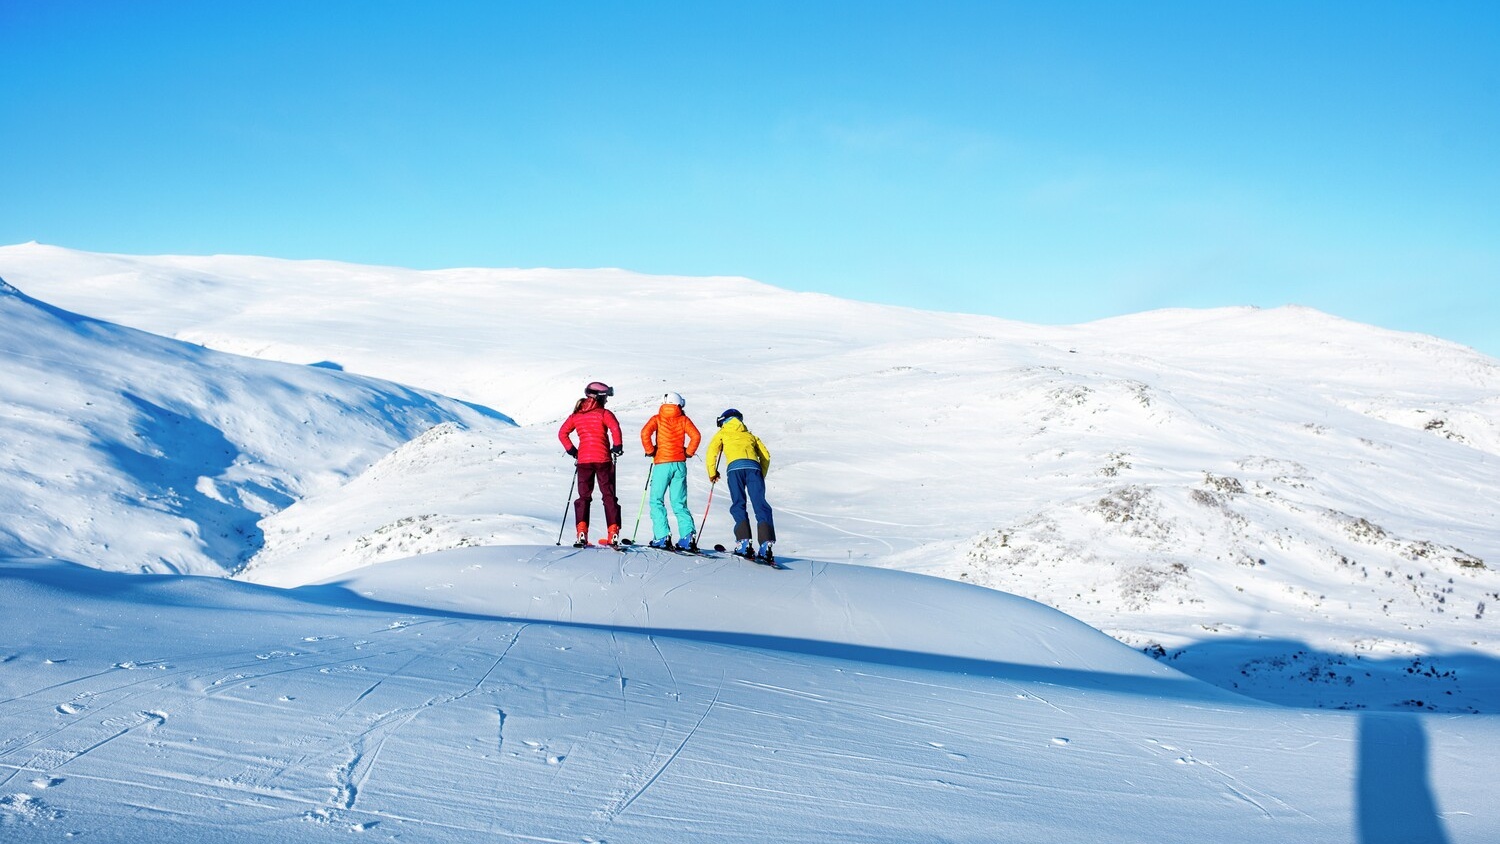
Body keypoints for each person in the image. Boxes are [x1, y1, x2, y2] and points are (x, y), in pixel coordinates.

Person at [558, 381, 624, 546]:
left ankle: (581, 534)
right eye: (606, 397)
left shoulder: (576, 416)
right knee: (608, 496)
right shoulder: (604, 413)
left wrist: (573, 451)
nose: (607, 400)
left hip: (584, 461)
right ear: (600, 397)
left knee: (583, 497)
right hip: (603, 459)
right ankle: (613, 533)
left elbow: (562, 433)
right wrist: (617, 446)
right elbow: (615, 428)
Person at [704, 408, 775, 558]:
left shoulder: (722, 433)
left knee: (738, 503)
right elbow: (766, 456)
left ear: (724, 420)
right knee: (760, 504)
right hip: (753, 468)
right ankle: (765, 544)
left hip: (735, 469)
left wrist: (712, 473)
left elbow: (711, 452)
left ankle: (744, 542)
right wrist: (760, 475)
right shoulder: (750, 435)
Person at [639, 391, 702, 549]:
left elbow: (645, 432)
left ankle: (662, 536)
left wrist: (650, 450)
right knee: (679, 502)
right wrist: (688, 453)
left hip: (662, 464)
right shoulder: (683, 419)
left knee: (656, 500)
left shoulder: (657, 419)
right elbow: (696, 436)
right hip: (679, 463)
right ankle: (687, 537)